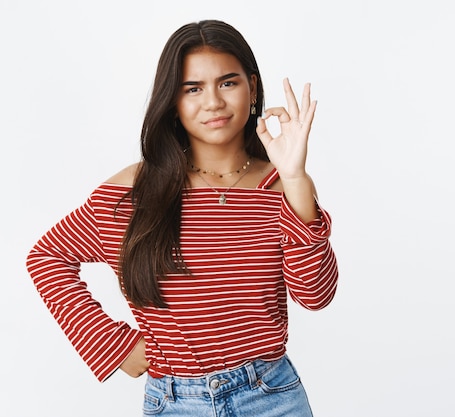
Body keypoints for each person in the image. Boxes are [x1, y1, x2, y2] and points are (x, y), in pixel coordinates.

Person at [25, 19, 338, 416]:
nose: (213, 102)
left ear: (253, 87)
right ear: (172, 100)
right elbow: (46, 257)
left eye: (228, 82)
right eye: (192, 89)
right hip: (176, 402)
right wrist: (113, 345)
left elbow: (315, 296)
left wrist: (295, 178)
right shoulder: (133, 193)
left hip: (272, 396)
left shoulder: (283, 188)